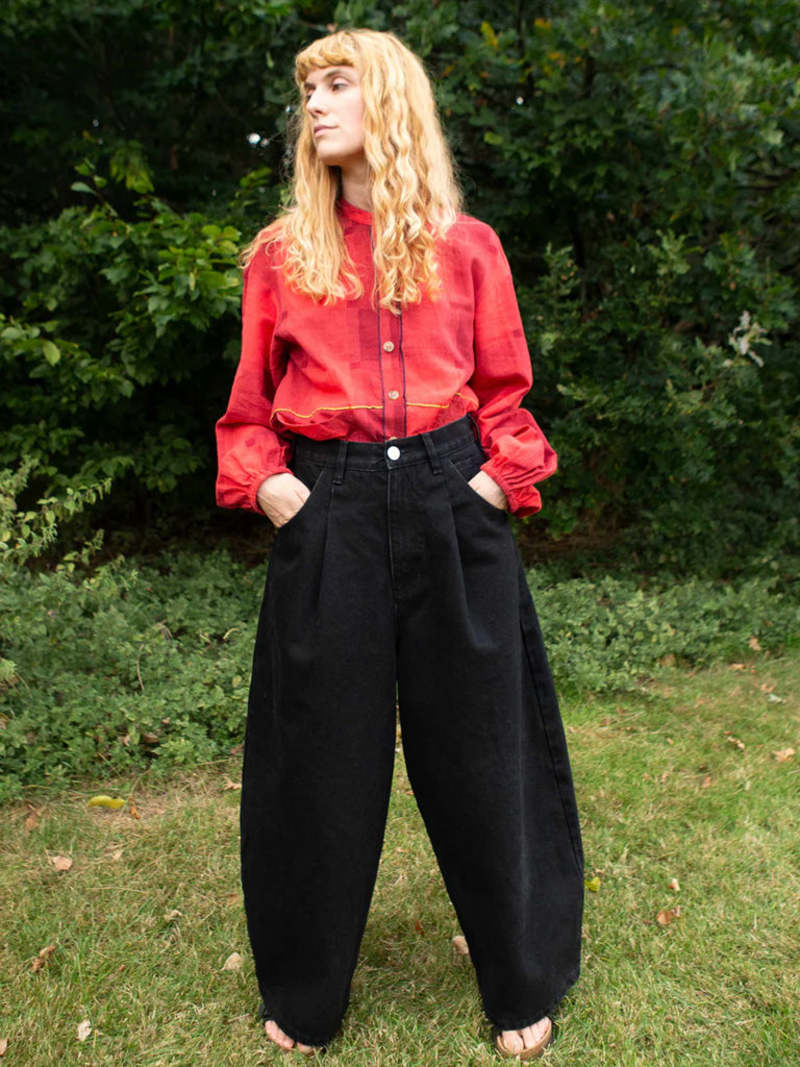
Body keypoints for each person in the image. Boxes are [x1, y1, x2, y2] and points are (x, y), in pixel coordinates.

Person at [215, 27, 583, 1061]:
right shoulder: (280, 256)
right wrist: (276, 489)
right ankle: (306, 987)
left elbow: (505, 393)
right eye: (308, 89)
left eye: (336, 84)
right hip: (326, 505)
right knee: (317, 755)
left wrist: (490, 480)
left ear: (387, 99)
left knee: (484, 745)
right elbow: (247, 408)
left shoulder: (469, 248)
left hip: (448, 496)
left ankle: (518, 969)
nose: (314, 104)